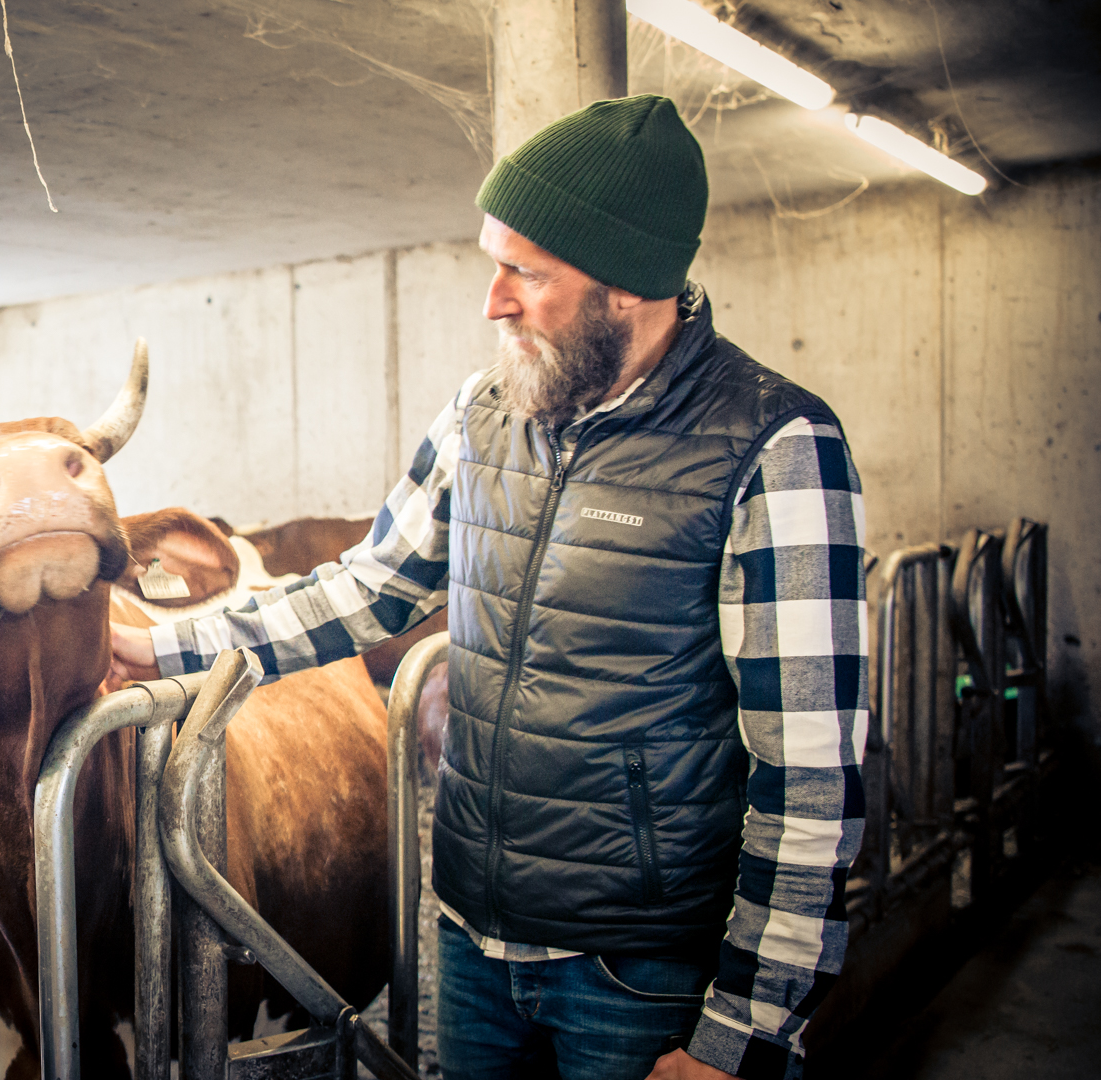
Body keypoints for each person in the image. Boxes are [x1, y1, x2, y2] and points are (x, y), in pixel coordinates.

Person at [111, 95, 866, 1080]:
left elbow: (808, 776)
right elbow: (368, 588)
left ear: (628, 288)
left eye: (525, 272)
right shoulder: (484, 414)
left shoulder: (773, 447)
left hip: (641, 973)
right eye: (492, 261)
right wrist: (161, 646)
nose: (492, 300)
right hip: (472, 941)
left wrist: (739, 1037)